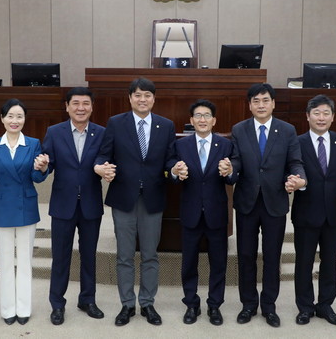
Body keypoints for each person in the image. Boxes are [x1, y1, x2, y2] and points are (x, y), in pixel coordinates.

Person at [94, 77, 177, 327]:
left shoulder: (166, 125)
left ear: (154, 98)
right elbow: (104, 154)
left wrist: (175, 169)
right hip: (123, 197)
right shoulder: (116, 123)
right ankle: (127, 304)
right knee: (124, 255)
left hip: (153, 197)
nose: (143, 99)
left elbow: (170, 159)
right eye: (138, 95)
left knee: (150, 254)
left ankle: (148, 303)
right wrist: (100, 167)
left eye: (147, 95)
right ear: (130, 98)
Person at [230, 83, 307, 328]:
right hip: (247, 202)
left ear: (273, 103)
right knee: (246, 255)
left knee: (272, 256)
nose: (261, 105)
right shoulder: (239, 129)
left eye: (265, 100)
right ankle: (248, 304)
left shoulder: (287, 130)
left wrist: (299, 178)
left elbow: (295, 162)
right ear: (249, 105)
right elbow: (236, 160)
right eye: (256, 101)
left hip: (275, 201)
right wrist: (230, 169)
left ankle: (269, 306)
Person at [0, 99, 49, 326]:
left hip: (26, 206)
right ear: (2, 119)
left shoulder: (33, 144)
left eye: (19, 116)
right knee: (5, 262)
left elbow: (36, 177)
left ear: (25, 119)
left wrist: (43, 168)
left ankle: (23, 309)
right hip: (2, 207)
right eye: (10, 116)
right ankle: (7, 310)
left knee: (25, 261)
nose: (15, 121)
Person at [41, 87, 106, 325]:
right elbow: (48, 162)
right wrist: (43, 165)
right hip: (63, 204)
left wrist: (103, 167)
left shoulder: (101, 133)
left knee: (89, 255)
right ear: (67, 107)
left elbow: (104, 158)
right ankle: (57, 304)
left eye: (85, 103)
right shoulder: (54, 132)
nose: (81, 108)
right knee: (60, 257)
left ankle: (87, 300)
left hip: (90, 203)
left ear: (92, 107)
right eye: (75, 103)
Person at [291, 94, 336, 327]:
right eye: (316, 113)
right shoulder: (296, 142)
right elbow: (291, 167)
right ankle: (305, 307)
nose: (321, 118)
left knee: (329, 262)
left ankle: (325, 305)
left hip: (333, 214)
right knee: (304, 262)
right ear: (307, 116)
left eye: (326, 113)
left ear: (333, 117)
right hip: (306, 213)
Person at [170, 100, 235, 326]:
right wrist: (175, 171)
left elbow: (233, 174)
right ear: (191, 120)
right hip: (191, 212)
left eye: (207, 115)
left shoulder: (225, 145)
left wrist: (230, 172)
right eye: (198, 115)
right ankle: (191, 304)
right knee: (189, 262)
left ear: (214, 120)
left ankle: (214, 305)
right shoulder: (181, 145)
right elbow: (171, 168)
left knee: (219, 263)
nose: (202, 119)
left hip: (217, 212)